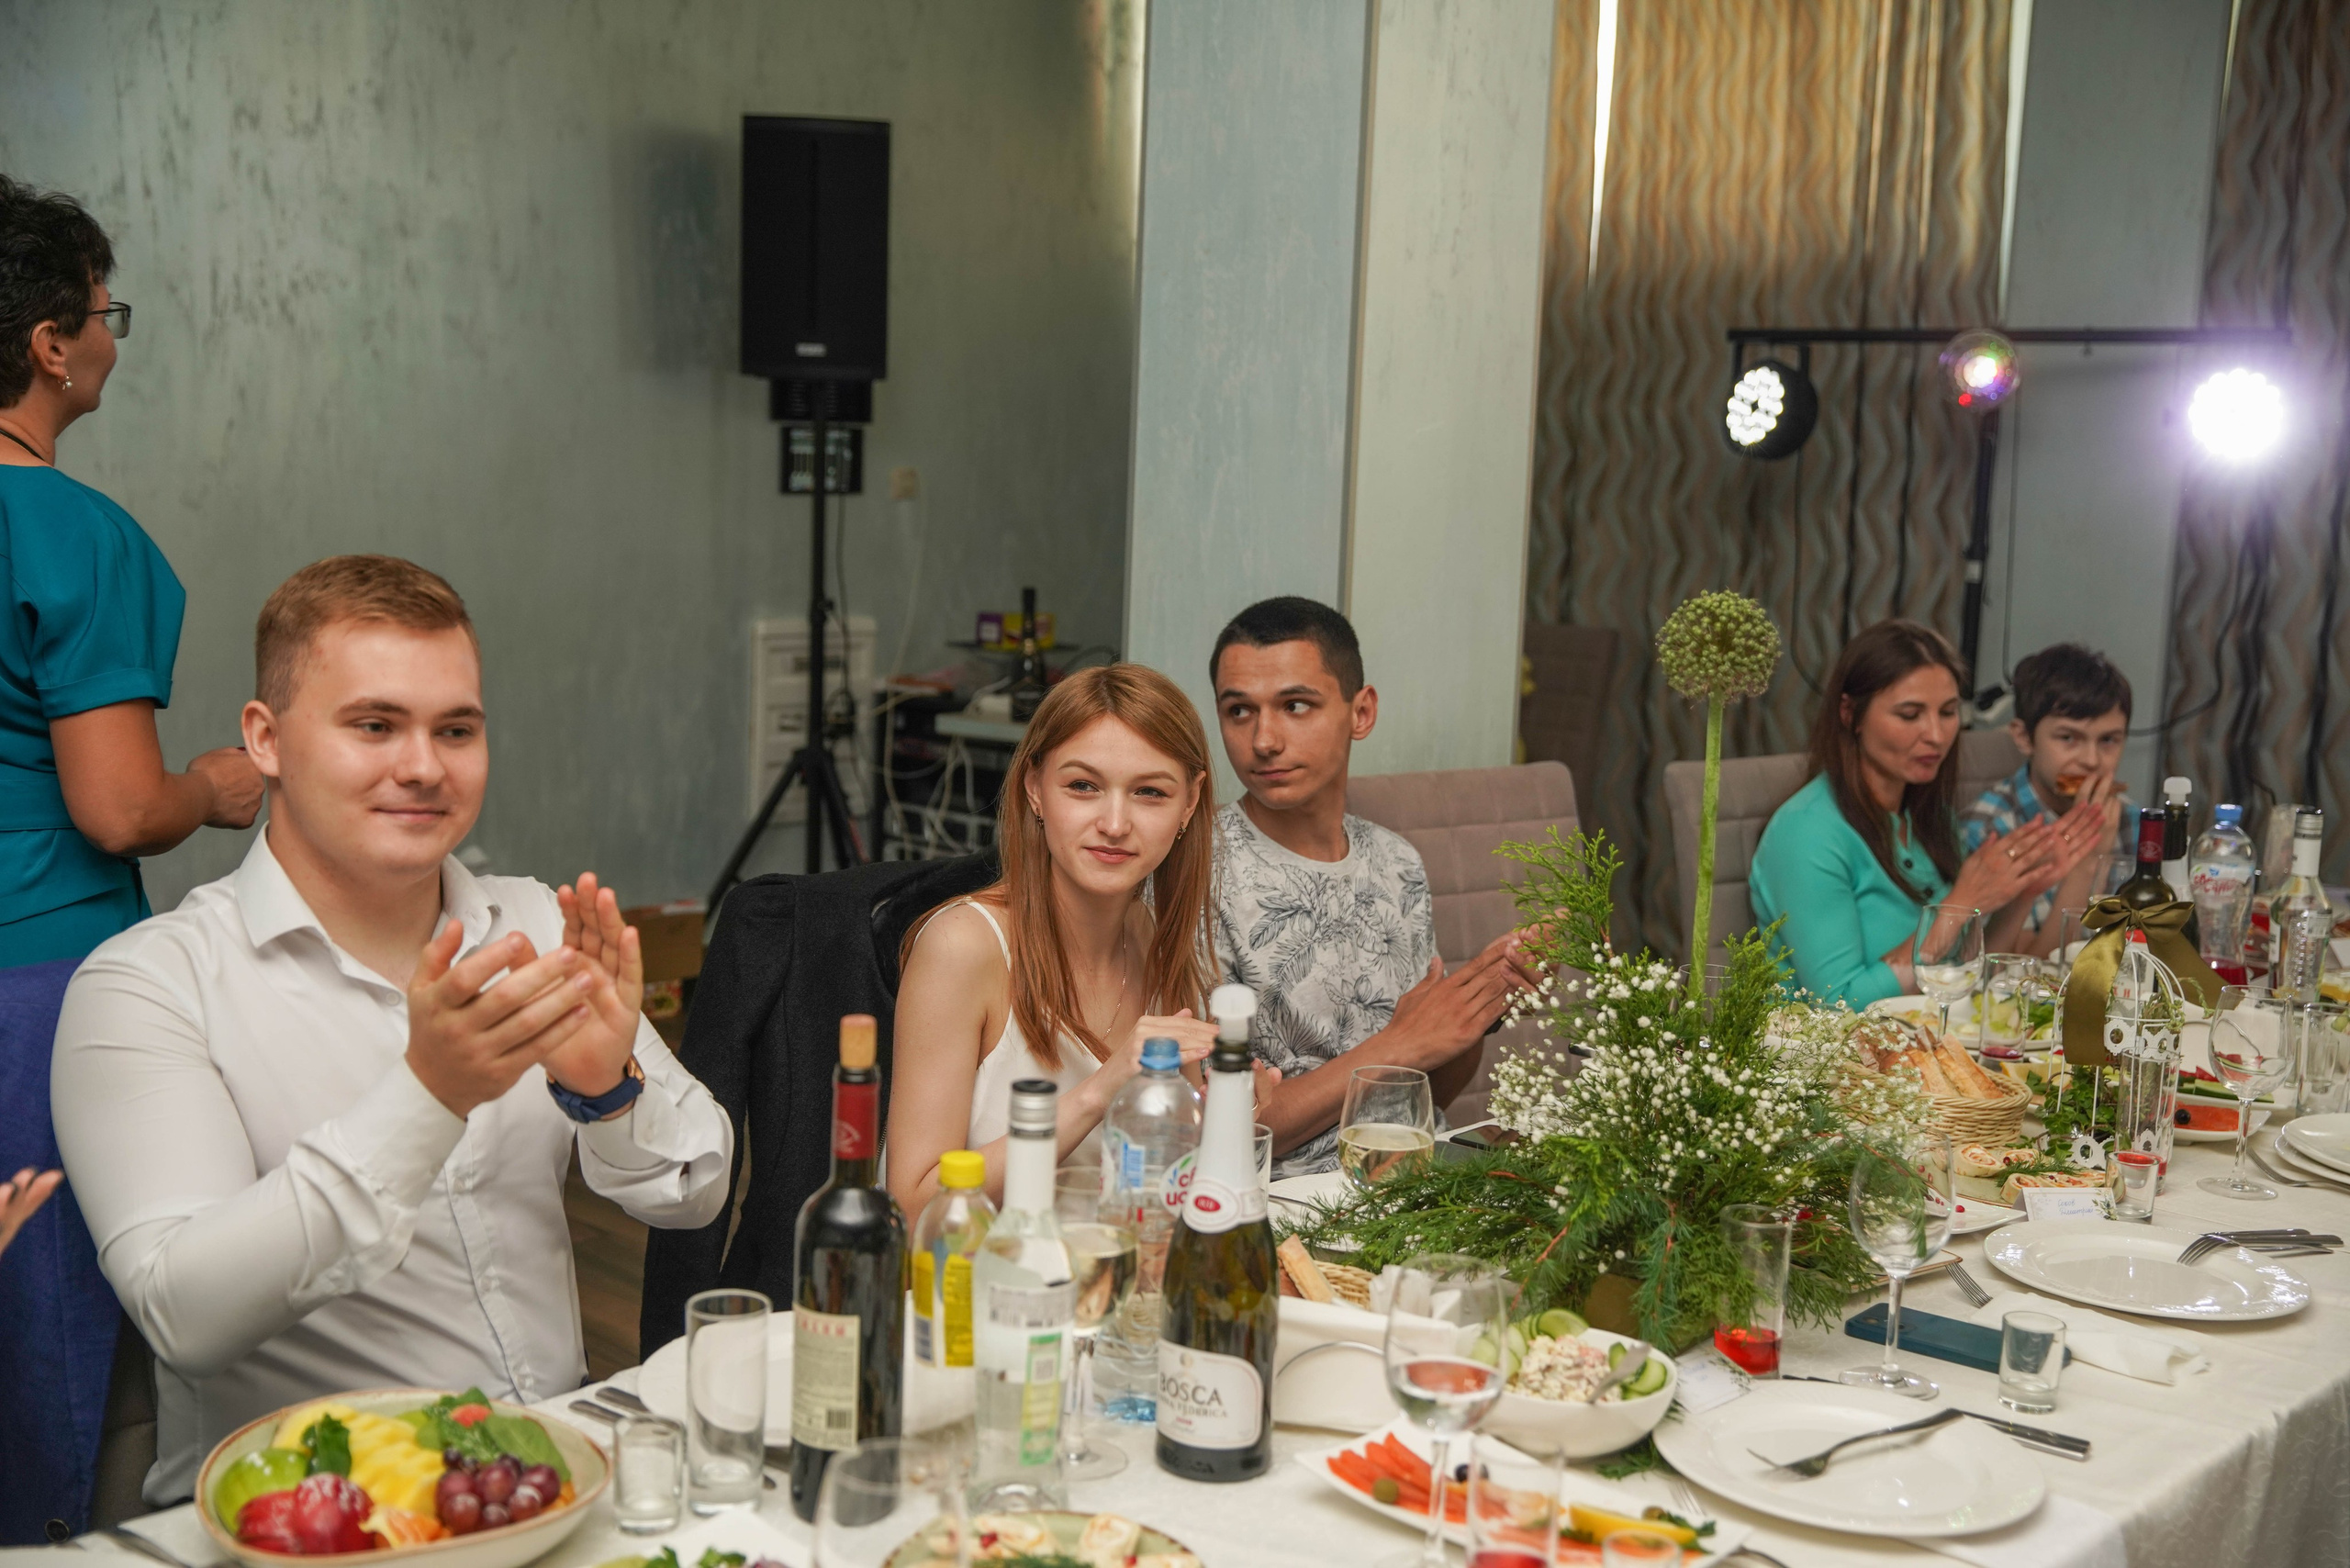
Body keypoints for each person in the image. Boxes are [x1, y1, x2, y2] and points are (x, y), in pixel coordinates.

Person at [50, 555, 732, 1503]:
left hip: (556, 1475)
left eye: (456, 729)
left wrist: (608, 1091)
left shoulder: (534, 924)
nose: (423, 765)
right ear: (266, 738)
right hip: (317, 1517)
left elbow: (695, 1187)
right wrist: (426, 1095)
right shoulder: (149, 986)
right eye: (374, 725)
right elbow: (186, 1311)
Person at [0, 175, 262, 965]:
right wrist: (213, 789)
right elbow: (121, 811)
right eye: (105, 314)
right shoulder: (75, 534)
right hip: (37, 952)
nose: (112, 339)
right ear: (52, 347)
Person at [887, 664, 1228, 1218]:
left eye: (1149, 792)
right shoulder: (962, 947)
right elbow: (914, 1205)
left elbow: (1164, 1181)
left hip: (1108, 1278)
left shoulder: (1152, 940)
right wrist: (1098, 1093)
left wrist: (1222, 1115)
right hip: (975, 1287)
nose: (1114, 823)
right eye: (1083, 786)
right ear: (1034, 789)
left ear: (1189, 805)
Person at [1208, 598, 1528, 1180]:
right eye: (1238, 711)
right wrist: (1400, 1044)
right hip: (1276, 1208)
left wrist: (1476, 1012)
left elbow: (1424, 1096)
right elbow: (1228, 1130)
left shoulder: (1397, 860)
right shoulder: (1198, 871)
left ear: (1361, 712)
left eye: (1296, 705)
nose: (1264, 740)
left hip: (1406, 1186)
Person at [1749, 620, 2110, 1006]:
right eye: (1910, 715)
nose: (1936, 735)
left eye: (1949, 712)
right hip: (1819, 1056)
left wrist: (2022, 891)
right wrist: (1958, 904)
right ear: (1850, 714)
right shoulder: (1808, 832)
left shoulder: (1923, 817)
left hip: (1920, 1040)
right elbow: (1839, 1003)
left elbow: (1967, 974)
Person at [1961, 643, 2132, 955]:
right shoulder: (1988, 828)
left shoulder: (2132, 820)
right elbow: (2029, 968)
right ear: (2024, 737)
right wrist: (2088, 864)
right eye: (2068, 738)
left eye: (2108, 740)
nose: (2092, 761)